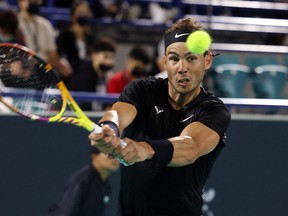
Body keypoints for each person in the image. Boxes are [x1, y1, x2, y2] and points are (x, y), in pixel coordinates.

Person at [88, 17, 231, 216]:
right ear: (165, 62)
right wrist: (110, 128)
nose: (182, 67)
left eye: (191, 58)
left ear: (207, 60)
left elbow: (190, 147)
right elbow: (118, 113)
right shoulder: (142, 90)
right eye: (174, 59)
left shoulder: (214, 110)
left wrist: (144, 149)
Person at [48, 147, 120, 216]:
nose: (114, 158)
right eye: (108, 153)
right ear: (94, 156)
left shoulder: (106, 187)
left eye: (116, 154)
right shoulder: (81, 180)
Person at [17, 0, 72, 80]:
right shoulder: (15, 23)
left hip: (43, 70)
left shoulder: (45, 24)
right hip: (23, 69)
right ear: (21, 2)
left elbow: (53, 54)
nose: (34, 2)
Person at [68, 37, 117, 111]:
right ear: (94, 56)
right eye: (105, 57)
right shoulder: (83, 76)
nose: (109, 61)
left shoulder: (108, 77)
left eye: (112, 58)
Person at [56, 0, 94, 84]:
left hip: (86, 78)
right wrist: (63, 61)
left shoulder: (90, 37)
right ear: (73, 16)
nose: (83, 15)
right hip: (68, 77)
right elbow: (61, 53)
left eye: (86, 12)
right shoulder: (65, 35)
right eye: (80, 12)